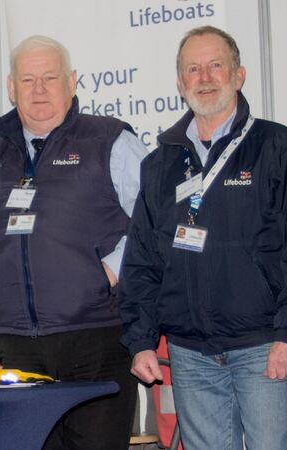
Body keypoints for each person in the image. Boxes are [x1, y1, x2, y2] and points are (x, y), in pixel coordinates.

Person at [0, 35, 147, 449]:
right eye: (28, 80)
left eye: (50, 78)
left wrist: (109, 272)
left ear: (72, 81)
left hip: (97, 339)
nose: (39, 89)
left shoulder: (111, 141)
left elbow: (152, 224)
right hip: (16, 348)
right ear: (12, 87)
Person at [120, 26, 287, 450]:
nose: (205, 77)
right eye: (193, 69)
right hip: (190, 355)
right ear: (179, 83)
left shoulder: (275, 146)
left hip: (263, 346)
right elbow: (142, 259)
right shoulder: (160, 164)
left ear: (239, 74)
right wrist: (140, 341)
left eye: (216, 65)